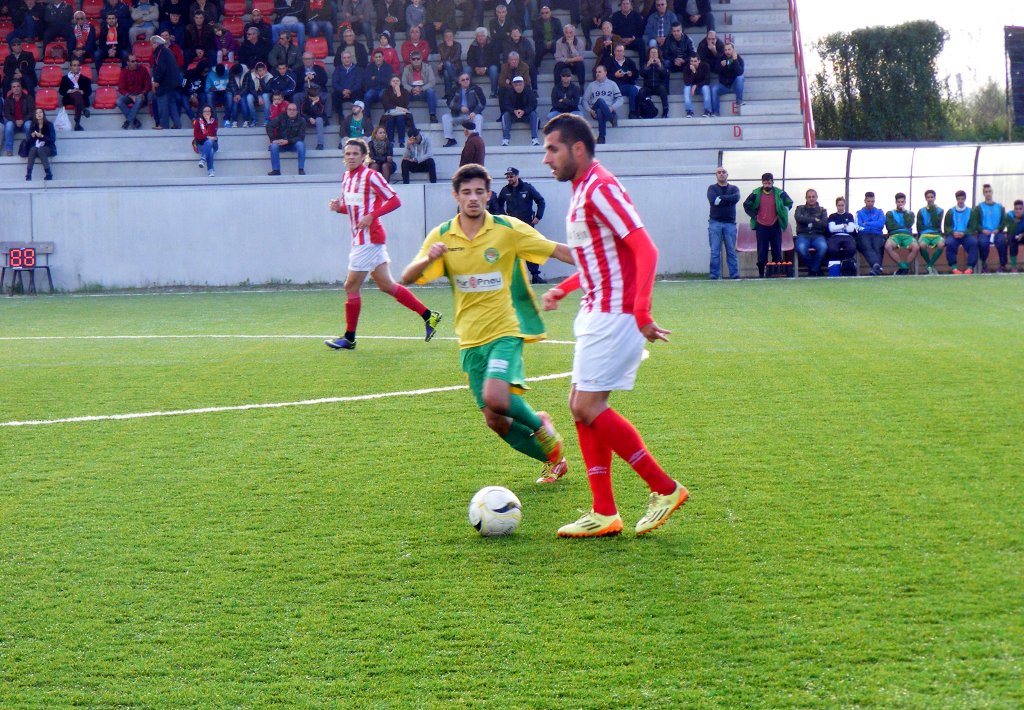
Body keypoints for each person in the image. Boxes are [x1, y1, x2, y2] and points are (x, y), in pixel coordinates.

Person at [540, 113, 686, 537]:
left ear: (578, 149)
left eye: (552, 149)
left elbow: (645, 249)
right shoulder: (582, 190)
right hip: (596, 310)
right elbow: (598, 259)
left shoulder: (600, 188)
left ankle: (665, 488)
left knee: (587, 407)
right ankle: (604, 512)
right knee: (579, 405)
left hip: (614, 314)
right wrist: (564, 288)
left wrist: (641, 311)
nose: (547, 158)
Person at [400, 163, 574, 485]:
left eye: (479, 192)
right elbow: (407, 278)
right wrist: (429, 258)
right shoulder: (442, 236)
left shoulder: (507, 228)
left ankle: (540, 424)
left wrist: (603, 261)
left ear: (488, 195)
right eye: (466, 192)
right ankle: (553, 460)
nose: (473, 198)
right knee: (494, 419)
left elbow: (555, 250)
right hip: (469, 339)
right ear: (456, 196)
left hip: (505, 330)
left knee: (495, 396)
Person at [324, 138, 443, 351]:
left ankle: (349, 338)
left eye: (355, 154)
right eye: (348, 153)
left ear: (364, 156)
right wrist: (339, 207)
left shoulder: (371, 176)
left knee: (351, 286)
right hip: (362, 239)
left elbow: (395, 200)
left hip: (369, 239)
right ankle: (429, 315)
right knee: (387, 286)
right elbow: (353, 209)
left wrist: (372, 215)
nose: (351, 157)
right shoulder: (346, 177)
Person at [498, 166, 547, 282]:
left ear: (517, 176)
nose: (509, 179)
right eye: (507, 177)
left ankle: (535, 276)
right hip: (511, 226)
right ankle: (511, 277)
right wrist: (504, 218)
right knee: (511, 250)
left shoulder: (527, 188)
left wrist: (538, 217)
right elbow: (499, 205)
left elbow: (541, 201)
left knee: (529, 249)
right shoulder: (505, 190)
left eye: (511, 176)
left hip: (527, 224)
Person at [742, 172, 793, 278]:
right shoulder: (756, 193)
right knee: (762, 252)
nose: (767, 185)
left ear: (773, 182)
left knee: (777, 251)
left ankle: (776, 273)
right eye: (765, 183)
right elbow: (746, 205)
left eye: (769, 183)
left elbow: (789, 202)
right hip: (761, 226)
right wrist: (754, 215)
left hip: (775, 224)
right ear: (762, 183)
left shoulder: (780, 193)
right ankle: (761, 274)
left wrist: (783, 212)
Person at [706, 165, 739, 280]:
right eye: (719, 172)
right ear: (716, 175)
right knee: (715, 252)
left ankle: (734, 275)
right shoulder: (711, 188)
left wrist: (720, 198)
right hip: (715, 223)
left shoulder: (734, 188)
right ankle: (714, 276)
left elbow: (736, 198)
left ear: (727, 174)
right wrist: (728, 200)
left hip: (730, 224)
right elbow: (713, 200)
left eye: (723, 172)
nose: (721, 174)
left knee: (731, 251)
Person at [442, 72, 487, 146]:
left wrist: (475, 112)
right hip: (457, 115)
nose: (466, 81)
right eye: (463, 80)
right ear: (459, 82)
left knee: (479, 117)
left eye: (467, 79)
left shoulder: (476, 89)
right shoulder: (454, 90)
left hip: (471, 116)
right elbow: (449, 103)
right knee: (445, 117)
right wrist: (460, 107)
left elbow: (482, 103)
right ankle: (451, 139)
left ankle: (477, 140)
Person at [971, 183, 1008, 273]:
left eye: (989, 191)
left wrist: (998, 229)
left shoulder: (1000, 207)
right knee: (982, 243)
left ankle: (1002, 265)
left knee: (1002, 242)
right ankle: (984, 264)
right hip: (984, 232)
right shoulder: (979, 208)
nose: (988, 193)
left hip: (997, 232)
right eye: (986, 192)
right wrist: (982, 230)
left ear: (992, 192)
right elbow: (975, 223)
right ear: (983, 193)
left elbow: (1004, 221)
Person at [582, 64, 622, 144]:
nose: (597, 74)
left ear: (605, 73)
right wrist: (590, 110)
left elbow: (620, 99)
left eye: (599, 72)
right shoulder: (591, 85)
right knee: (600, 101)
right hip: (594, 111)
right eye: (596, 72)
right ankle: (611, 118)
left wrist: (612, 107)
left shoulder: (612, 84)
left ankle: (601, 137)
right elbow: (584, 100)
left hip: (607, 110)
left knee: (600, 111)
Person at [793, 188, 829, 276]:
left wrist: (806, 220)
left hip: (818, 235)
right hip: (803, 235)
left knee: (823, 247)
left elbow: (824, 224)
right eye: (809, 197)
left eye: (813, 196)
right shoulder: (800, 208)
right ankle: (816, 269)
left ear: (816, 197)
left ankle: (813, 271)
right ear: (806, 198)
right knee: (801, 248)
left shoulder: (822, 210)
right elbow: (799, 218)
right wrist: (815, 219)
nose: (811, 198)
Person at [151, 34, 183, 129]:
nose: (151, 46)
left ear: (156, 44)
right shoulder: (167, 51)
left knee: (162, 103)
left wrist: (156, 81)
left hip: (165, 83)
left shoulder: (160, 52)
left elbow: (160, 68)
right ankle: (177, 124)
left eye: (152, 44)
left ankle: (163, 125)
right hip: (172, 82)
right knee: (172, 103)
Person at [266, 102, 307, 175]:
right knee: (273, 146)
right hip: (281, 144)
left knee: (301, 144)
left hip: (293, 144)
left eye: (294, 110)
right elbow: (269, 126)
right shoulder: (281, 117)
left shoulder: (302, 120)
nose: (291, 111)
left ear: (297, 111)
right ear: (286, 110)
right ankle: (276, 170)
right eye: (289, 109)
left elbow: (301, 137)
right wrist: (273, 139)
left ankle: (301, 169)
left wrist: (288, 141)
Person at [943, 190, 977, 275]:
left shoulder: (971, 211)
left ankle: (970, 268)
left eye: (962, 199)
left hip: (966, 235)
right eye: (959, 199)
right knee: (949, 243)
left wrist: (964, 233)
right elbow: (946, 226)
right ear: (956, 199)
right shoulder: (950, 212)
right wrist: (952, 232)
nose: (960, 201)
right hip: (954, 235)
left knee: (973, 243)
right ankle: (954, 268)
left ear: (965, 199)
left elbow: (973, 226)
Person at [499, 75, 539, 147]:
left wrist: (524, 111)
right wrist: (514, 111)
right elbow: (506, 105)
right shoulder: (509, 92)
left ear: (523, 84)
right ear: (513, 85)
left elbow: (533, 104)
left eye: (520, 85)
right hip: (513, 115)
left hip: (526, 115)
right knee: (505, 115)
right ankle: (505, 139)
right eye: (516, 85)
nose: (518, 87)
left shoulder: (529, 92)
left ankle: (535, 138)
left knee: (534, 114)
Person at [884, 192, 919, 275]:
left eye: (902, 202)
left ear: (905, 202)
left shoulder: (910, 213)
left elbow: (909, 224)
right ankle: (903, 266)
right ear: (896, 202)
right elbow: (890, 226)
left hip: (907, 236)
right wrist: (902, 227)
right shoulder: (890, 213)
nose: (900, 204)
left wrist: (905, 213)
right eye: (898, 202)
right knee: (888, 246)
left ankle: (905, 267)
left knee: (916, 247)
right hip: (894, 235)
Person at [401, 52, 439, 124]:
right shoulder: (406, 68)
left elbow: (432, 82)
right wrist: (411, 89)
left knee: (430, 91)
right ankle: (406, 116)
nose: (416, 60)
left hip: (423, 91)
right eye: (413, 59)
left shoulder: (428, 67)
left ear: (421, 59)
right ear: (410, 60)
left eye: (418, 59)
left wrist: (421, 89)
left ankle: (432, 115)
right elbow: (404, 82)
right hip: (411, 92)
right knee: (403, 92)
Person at [602, 43, 638, 118]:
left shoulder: (630, 62)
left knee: (633, 89)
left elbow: (636, 75)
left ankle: (633, 112)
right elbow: (603, 77)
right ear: (614, 52)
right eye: (617, 51)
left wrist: (631, 74)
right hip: (613, 87)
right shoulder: (608, 62)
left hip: (626, 86)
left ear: (624, 52)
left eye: (621, 51)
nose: (619, 53)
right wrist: (614, 75)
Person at [855, 191, 887, 276]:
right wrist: (873, 225)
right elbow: (858, 226)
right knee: (867, 246)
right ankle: (877, 266)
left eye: (872, 201)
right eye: (868, 201)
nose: (870, 203)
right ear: (865, 201)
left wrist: (867, 223)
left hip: (877, 234)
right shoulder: (859, 213)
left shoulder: (879, 212)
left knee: (878, 246)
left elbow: (881, 224)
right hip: (864, 234)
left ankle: (875, 268)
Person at [915, 189, 945, 275]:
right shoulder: (921, 211)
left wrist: (932, 209)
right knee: (922, 245)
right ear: (925, 198)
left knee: (941, 244)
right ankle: (930, 265)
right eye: (928, 197)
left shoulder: (940, 210)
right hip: (924, 234)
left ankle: (929, 265)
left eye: (932, 197)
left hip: (936, 234)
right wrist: (928, 228)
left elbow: (936, 224)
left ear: (935, 198)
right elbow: (919, 226)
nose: (930, 199)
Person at [117, 54, 151, 129]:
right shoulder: (124, 72)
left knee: (139, 100)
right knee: (119, 101)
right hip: (130, 95)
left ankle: (128, 121)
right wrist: (130, 96)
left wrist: (143, 93)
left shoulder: (143, 70)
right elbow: (121, 88)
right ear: (128, 62)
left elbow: (148, 84)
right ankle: (135, 121)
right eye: (133, 61)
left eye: (136, 61)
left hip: (140, 94)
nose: (135, 63)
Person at [826, 197, 859, 274]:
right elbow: (831, 229)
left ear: (845, 205)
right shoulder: (832, 216)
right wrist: (843, 226)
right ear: (836, 205)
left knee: (851, 248)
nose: (841, 207)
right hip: (835, 236)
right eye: (839, 205)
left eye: (842, 205)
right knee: (832, 248)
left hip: (847, 236)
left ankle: (846, 267)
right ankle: (835, 270)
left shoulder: (849, 215)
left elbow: (851, 229)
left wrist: (837, 227)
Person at [58, 58, 93, 132]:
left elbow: (89, 92)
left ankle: (77, 122)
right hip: (69, 99)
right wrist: (71, 91)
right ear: (70, 67)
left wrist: (81, 92)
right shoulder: (65, 78)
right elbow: (61, 91)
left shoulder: (86, 79)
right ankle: (83, 110)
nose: (76, 67)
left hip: (82, 99)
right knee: (75, 93)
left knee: (77, 93)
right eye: (74, 65)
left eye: (78, 65)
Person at [711, 41, 743, 115]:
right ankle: (716, 112)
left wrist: (735, 60)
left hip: (734, 86)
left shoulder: (738, 58)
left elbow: (740, 72)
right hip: (724, 86)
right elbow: (715, 71)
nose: (727, 52)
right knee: (714, 89)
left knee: (740, 78)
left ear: (733, 50)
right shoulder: (721, 58)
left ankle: (739, 101)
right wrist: (721, 66)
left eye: (729, 49)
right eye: (725, 50)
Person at [331, 50, 365, 119]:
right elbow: (335, 82)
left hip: (354, 92)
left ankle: (356, 116)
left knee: (359, 94)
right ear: (341, 59)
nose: (347, 60)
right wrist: (342, 91)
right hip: (341, 92)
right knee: (334, 95)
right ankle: (340, 117)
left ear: (351, 58)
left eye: (348, 57)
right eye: (344, 58)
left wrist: (350, 91)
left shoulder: (357, 69)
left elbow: (358, 83)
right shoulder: (338, 69)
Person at [4, 81, 35, 157]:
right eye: (14, 87)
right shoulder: (8, 99)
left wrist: (23, 120)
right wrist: (15, 121)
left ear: (21, 88)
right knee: (8, 125)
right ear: (11, 89)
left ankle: (30, 147)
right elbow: (7, 114)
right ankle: (9, 150)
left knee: (29, 125)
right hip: (14, 123)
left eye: (18, 86)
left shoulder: (28, 98)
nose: (16, 88)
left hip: (25, 122)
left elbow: (31, 112)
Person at [637, 45, 669, 117]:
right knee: (641, 92)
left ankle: (665, 112)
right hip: (647, 86)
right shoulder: (645, 63)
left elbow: (666, 75)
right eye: (652, 53)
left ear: (658, 54)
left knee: (663, 90)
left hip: (658, 86)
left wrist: (660, 65)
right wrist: (648, 65)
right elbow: (641, 74)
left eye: (655, 53)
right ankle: (638, 113)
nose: (654, 54)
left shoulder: (662, 62)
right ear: (649, 54)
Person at [467, 28, 500, 98]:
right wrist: (475, 68)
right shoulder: (473, 45)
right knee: (466, 69)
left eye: (482, 36)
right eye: (478, 36)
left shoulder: (493, 44)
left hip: (489, 68)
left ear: (486, 36)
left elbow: (495, 59)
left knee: (494, 69)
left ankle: (494, 92)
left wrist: (485, 68)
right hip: (476, 69)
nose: (480, 38)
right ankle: (467, 91)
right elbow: (469, 59)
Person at [25, 108, 56, 182]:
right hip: (36, 147)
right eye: (37, 113)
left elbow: (52, 140)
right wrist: (32, 136)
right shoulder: (33, 125)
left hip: (48, 147)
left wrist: (42, 136)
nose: (39, 114)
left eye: (40, 112)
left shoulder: (49, 125)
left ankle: (48, 173)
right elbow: (28, 141)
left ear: (43, 114)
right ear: (35, 115)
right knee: (33, 149)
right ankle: (28, 174)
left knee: (40, 150)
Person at [381, 74, 412, 147]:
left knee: (400, 118)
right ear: (390, 83)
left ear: (400, 82)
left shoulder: (404, 91)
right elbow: (386, 105)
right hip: (390, 113)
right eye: (393, 81)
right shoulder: (386, 92)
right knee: (390, 119)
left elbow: (404, 105)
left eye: (397, 81)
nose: (395, 82)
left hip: (401, 114)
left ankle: (401, 141)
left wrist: (398, 93)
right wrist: (397, 107)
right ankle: (390, 141)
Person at [553, 23, 586, 87]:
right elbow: (558, 58)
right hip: (565, 65)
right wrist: (572, 59)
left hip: (575, 66)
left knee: (580, 64)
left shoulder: (580, 42)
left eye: (571, 33)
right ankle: (556, 87)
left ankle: (581, 87)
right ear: (564, 33)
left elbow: (581, 58)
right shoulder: (559, 42)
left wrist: (571, 46)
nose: (569, 35)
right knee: (558, 66)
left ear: (574, 33)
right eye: (566, 33)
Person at [301, 83, 330, 148]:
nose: (316, 98)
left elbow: (320, 114)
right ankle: (301, 143)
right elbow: (302, 113)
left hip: (319, 120)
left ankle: (320, 144)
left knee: (319, 119)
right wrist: (309, 118)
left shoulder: (320, 103)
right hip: (308, 121)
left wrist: (314, 104)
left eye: (316, 96)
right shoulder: (305, 102)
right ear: (309, 97)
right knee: (302, 120)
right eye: (314, 97)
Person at [681, 53, 710, 118]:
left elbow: (707, 81)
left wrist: (696, 85)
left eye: (695, 61)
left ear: (699, 61)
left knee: (706, 88)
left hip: (701, 87)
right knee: (686, 88)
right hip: (691, 89)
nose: (693, 63)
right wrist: (693, 72)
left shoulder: (705, 66)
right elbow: (687, 82)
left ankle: (707, 111)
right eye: (691, 61)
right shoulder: (686, 68)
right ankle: (689, 111)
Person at [192, 104, 218, 177]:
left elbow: (213, 134)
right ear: (202, 113)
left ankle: (203, 159)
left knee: (210, 142)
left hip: (214, 144)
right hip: (201, 145)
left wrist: (208, 122)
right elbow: (197, 136)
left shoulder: (214, 122)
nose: (207, 113)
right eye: (205, 111)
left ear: (211, 112)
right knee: (210, 149)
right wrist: (207, 137)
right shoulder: (198, 122)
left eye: (209, 111)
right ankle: (211, 170)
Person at [1005, 199, 1024, 272]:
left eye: (1020, 209)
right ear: (1014, 209)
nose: (1018, 211)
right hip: (1013, 235)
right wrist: (1016, 221)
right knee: (1011, 240)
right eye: (1016, 209)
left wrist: (1022, 234)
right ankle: (1013, 266)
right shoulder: (1009, 215)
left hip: (1023, 235)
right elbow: (1010, 230)